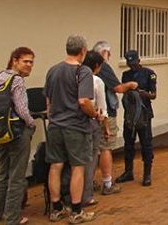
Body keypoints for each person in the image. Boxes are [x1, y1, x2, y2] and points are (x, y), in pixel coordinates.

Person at [43, 35, 98, 224]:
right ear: (83, 51)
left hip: (55, 126)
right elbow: (83, 101)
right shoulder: (83, 72)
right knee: (77, 167)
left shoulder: (53, 70)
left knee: (55, 166)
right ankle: (76, 210)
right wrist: (93, 114)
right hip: (75, 126)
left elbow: (48, 101)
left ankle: (56, 208)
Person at [0, 47, 36, 225]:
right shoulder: (17, 80)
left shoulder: (0, 76)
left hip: (1, 132)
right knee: (17, 176)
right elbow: (21, 109)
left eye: (31, 62)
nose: (29, 65)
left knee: (3, 173)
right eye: (25, 61)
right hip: (17, 132)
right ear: (14, 60)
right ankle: (12, 217)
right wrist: (31, 123)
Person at [92, 41, 137, 195]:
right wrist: (130, 85)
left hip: (89, 114)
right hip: (104, 113)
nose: (110, 56)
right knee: (106, 147)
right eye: (108, 53)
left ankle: (88, 183)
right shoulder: (102, 67)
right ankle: (107, 183)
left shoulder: (84, 67)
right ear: (104, 53)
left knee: (91, 149)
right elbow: (117, 88)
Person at [116, 50, 156, 187]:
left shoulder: (149, 74)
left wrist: (142, 93)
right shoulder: (126, 75)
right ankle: (128, 171)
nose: (132, 66)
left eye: (134, 63)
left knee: (146, 144)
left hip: (144, 114)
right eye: (129, 63)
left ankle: (147, 174)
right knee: (128, 143)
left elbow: (154, 95)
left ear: (139, 60)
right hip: (130, 114)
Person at [81, 51, 108, 207]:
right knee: (90, 160)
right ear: (97, 66)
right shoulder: (96, 81)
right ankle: (87, 195)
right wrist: (105, 127)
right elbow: (102, 108)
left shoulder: (74, 76)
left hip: (73, 123)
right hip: (91, 121)